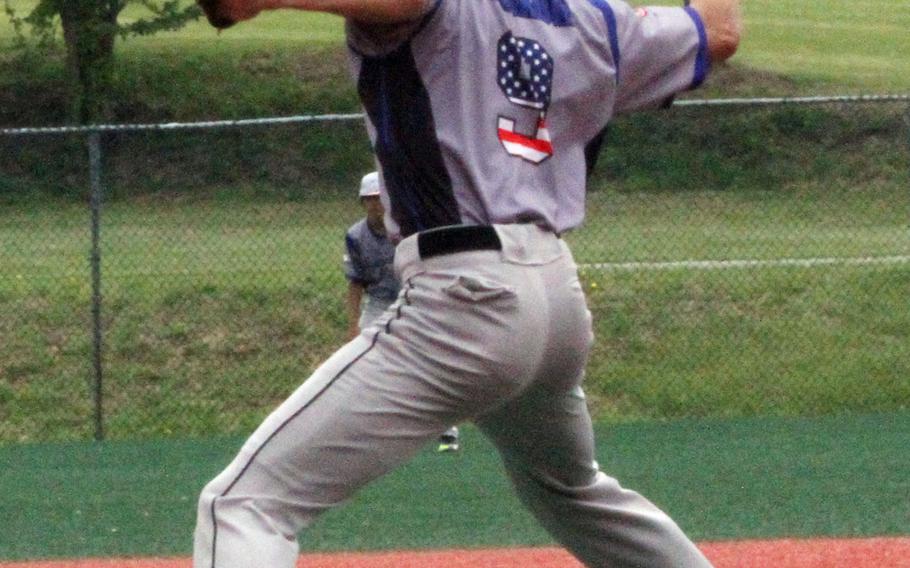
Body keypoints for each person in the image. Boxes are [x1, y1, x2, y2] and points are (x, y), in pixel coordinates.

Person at [194, 0, 741, 567]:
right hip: (553, 293)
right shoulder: (595, 20)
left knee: (243, 504)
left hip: (465, 297)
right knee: (575, 492)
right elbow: (718, 32)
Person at [344, 171, 461, 452]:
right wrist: (353, 326)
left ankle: (447, 430)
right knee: (362, 360)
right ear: (362, 203)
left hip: (416, 297)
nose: (376, 205)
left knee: (431, 358)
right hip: (380, 301)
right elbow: (355, 282)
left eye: (380, 198)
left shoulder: (407, 228)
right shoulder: (356, 236)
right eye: (370, 200)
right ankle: (369, 427)